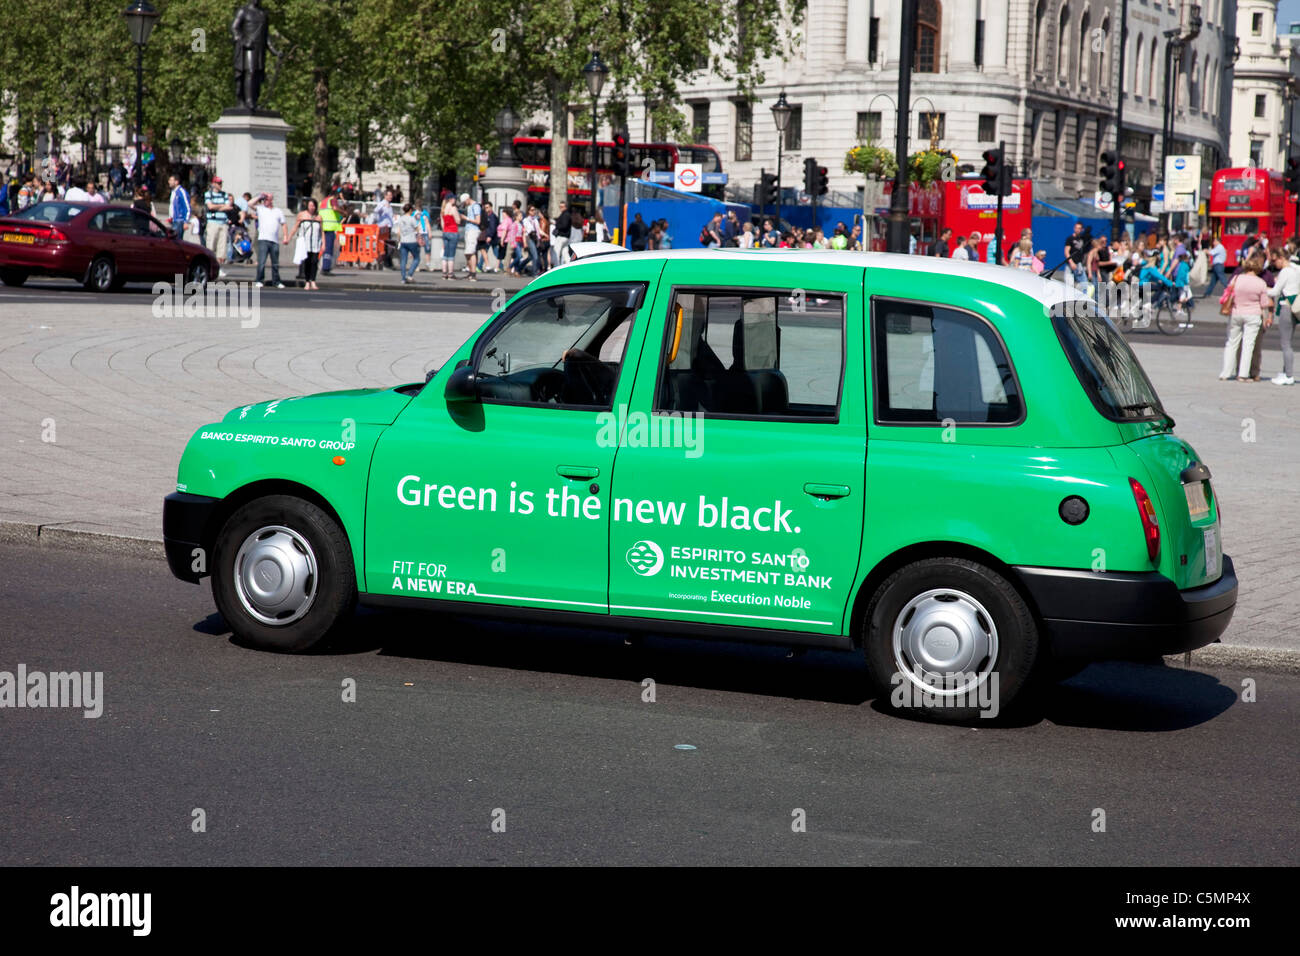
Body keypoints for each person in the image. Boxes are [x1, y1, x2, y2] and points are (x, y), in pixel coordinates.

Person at [1220, 255, 1272, 381]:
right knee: (1248, 344)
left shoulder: (1237, 279)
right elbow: (1264, 303)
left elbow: (1228, 293)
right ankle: (1243, 374)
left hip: (1236, 313)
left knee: (1231, 343)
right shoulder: (1261, 283)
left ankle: (1225, 373)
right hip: (1253, 315)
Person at [1266, 248, 1300, 385]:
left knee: (1286, 343)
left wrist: (1262, 287)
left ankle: (1288, 375)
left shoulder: (1285, 271)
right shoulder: (1296, 268)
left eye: (1275, 260)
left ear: (1281, 258)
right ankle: (1286, 371)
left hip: (1286, 305)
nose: (1274, 264)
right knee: (1288, 341)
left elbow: (1274, 292)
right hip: (1296, 304)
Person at [253, 193, 287, 288]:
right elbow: (249, 204)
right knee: (262, 262)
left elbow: (283, 224)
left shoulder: (278, 211)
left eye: (267, 199)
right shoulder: (261, 209)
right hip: (263, 239)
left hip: (274, 240)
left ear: (271, 200)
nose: (265, 201)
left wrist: (285, 236)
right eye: (265, 199)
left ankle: (276, 281)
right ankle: (259, 280)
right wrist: (260, 196)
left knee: (275, 263)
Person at [204, 176, 235, 277]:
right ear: (213, 184)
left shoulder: (224, 194)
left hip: (223, 223)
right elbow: (210, 206)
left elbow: (228, 207)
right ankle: (209, 268)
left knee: (221, 248)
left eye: (221, 183)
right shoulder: (208, 194)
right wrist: (221, 206)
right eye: (218, 183)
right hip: (213, 222)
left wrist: (216, 206)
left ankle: (218, 268)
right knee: (211, 246)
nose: (220, 185)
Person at [292, 197, 323, 290]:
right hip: (305, 244)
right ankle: (307, 282)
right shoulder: (302, 215)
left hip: (315, 244)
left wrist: (323, 244)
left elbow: (322, 231)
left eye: (313, 206)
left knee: (314, 262)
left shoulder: (319, 217)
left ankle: (313, 280)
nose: (312, 207)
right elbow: (295, 227)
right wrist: (288, 237)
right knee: (307, 263)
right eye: (310, 205)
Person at [393, 202, 421, 283]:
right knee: (416, 258)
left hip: (403, 241)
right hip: (412, 241)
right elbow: (418, 229)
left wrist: (399, 240)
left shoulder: (401, 219)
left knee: (403, 260)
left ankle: (403, 278)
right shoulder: (412, 219)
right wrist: (418, 237)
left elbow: (398, 231)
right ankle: (410, 274)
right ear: (410, 210)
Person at [320, 188, 343, 274]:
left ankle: (324, 266)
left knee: (324, 248)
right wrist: (344, 212)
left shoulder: (323, 201)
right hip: (329, 227)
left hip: (323, 227)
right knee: (328, 249)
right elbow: (335, 208)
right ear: (336, 195)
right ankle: (326, 268)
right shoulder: (333, 199)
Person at [439, 193, 461, 279]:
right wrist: (460, 217)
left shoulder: (443, 209)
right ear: (451, 199)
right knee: (451, 254)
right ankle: (450, 274)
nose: (455, 200)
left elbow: (442, 223)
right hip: (453, 231)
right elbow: (458, 221)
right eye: (454, 199)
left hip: (445, 232)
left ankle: (444, 273)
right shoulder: (453, 208)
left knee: (445, 254)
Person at [460, 193, 481, 280]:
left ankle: (473, 273)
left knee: (471, 252)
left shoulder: (475, 206)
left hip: (473, 230)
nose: (464, 204)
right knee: (467, 252)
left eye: (464, 202)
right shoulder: (469, 207)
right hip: (469, 230)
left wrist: (466, 218)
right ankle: (470, 271)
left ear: (468, 199)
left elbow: (478, 221)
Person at [480, 201, 500, 272]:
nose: (486, 209)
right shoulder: (488, 216)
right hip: (492, 237)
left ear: (491, 207)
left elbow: (492, 227)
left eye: (487, 207)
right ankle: (501, 266)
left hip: (491, 237)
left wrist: (489, 236)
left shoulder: (492, 216)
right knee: (494, 252)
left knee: (484, 251)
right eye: (485, 208)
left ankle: (479, 266)